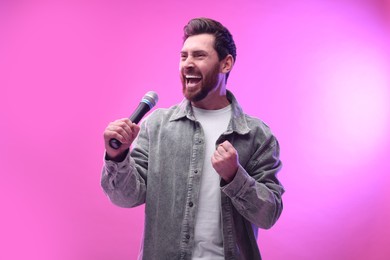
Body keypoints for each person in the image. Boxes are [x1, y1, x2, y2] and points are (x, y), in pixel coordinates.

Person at [101, 17, 284, 260]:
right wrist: (117, 156)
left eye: (199, 55)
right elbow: (124, 197)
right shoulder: (157, 126)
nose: (187, 64)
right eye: (183, 56)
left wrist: (234, 176)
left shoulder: (257, 135)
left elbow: (268, 215)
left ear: (225, 63)